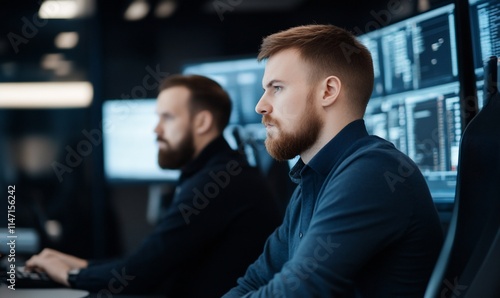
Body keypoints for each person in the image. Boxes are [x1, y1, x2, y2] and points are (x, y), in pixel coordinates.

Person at [223, 24, 444, 297]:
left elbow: (298, 291)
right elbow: (254, 282)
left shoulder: (373, 172)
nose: (261, 106)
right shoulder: (312, 181)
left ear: (328, 91)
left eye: (277, 88)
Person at [25, 74, 283, 298]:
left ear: (202, 122)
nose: (156, 129)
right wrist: (80, 265)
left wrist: (70, 275)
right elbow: (150, 261)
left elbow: (141, 275)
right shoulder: (218, 172)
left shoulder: (217, 183)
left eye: (167, 118)